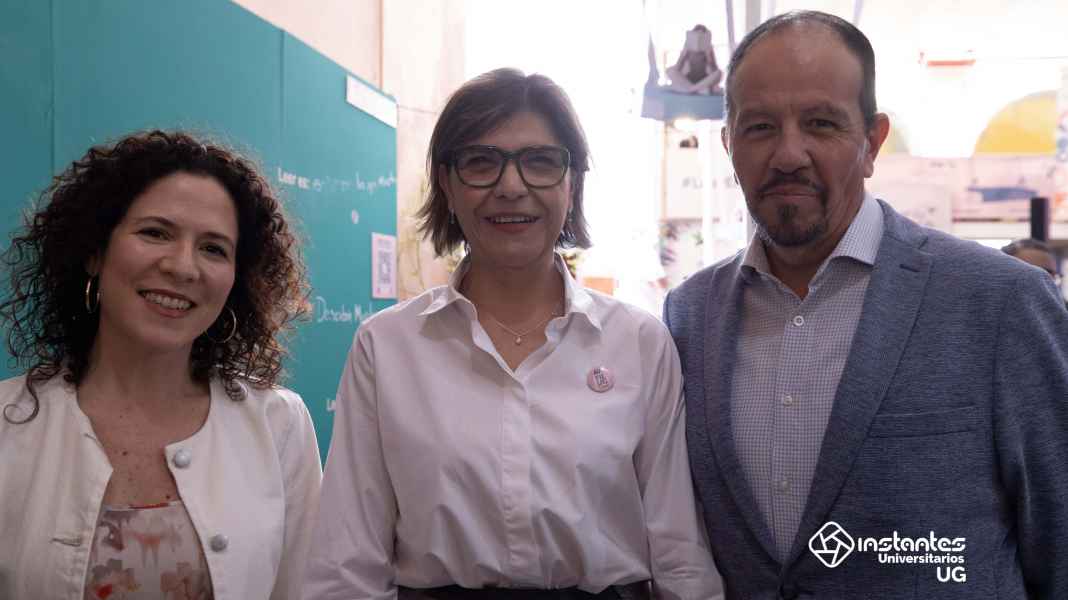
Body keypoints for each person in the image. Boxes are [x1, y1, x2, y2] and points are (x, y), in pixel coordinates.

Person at [663, 11, 1068, 599]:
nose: (788, 154)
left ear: (872, 142)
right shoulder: (689, 316)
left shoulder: (1000, 303)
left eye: (821, 123)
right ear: (728, 144)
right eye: (760, 127)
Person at [304, 68, 721, 600]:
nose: (511, 186)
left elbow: (679, 551)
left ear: (572, 184)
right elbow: (346, 563)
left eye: (540, 162)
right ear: (447, 185)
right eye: (481, 163)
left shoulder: (639, 342)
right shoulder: (386, 347)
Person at [0, 130, 322, 599]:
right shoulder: (6, 423)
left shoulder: (279, 424)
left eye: (213, 248)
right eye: (155, 233)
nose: (183, 267)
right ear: (95, 251)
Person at [666, 25, 723, 95]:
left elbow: (714, 72)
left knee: (719, 73)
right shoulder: (687, 48)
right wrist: (683, 55)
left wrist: (709, 57)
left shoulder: (709, 49)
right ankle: (696, 89)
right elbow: (677, 69)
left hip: (703, 82)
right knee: (670, 70)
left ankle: (691, 90)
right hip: (687, 81)